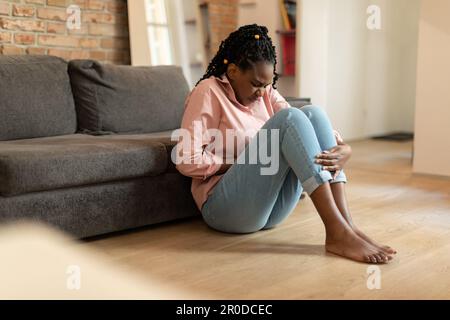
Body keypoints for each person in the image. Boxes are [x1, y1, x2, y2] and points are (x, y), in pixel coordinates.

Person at [174, 24, 396, 264]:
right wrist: (241, 165)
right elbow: (186, 159)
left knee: (312, 113)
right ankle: (336, 232)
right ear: (234, 71)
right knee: (289, 119)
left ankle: (347, 226)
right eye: (256, 84)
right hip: (225, 210)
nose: (261, 92)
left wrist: (344, 147)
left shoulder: (266, 93)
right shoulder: (208, 92)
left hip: (268, 210)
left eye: (266, 85)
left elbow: (303, 125)